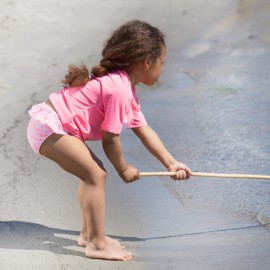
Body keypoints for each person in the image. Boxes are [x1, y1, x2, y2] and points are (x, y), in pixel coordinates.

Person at [27, 19, 192, 261]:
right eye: (162, 63)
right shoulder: (119, 89)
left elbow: (144, 130)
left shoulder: (125, 88)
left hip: (55, 126)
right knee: (96, 175)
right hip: (50, 127)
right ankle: (96, 244)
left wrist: (171, 163)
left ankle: (88, 235)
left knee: (93, 173)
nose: (162, 69)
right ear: (147, 61)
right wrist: (123, 168)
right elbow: (110, 139)